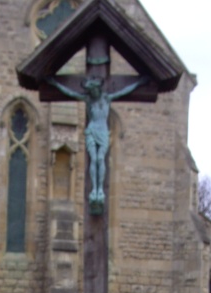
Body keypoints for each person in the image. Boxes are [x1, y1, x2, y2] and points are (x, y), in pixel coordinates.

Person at [47, 75, 149, 206]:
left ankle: (100, 189)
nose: (93, 93)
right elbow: (70, 92)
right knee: (93, 159)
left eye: (94, 90)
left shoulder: (107, 98)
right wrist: (55, 83)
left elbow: (124, 91)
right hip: (92, 130)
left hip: (103, 132)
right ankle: (94, 189)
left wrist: (139, 83)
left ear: (98, 89)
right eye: (91, 91)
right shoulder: (88, 100)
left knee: (101, 159)